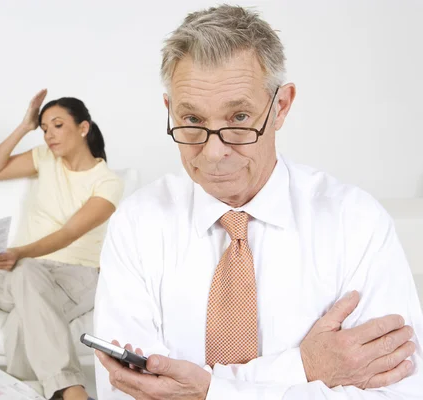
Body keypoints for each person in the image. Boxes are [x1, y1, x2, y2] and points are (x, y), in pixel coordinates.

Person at [94, 5, 423, 399]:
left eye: (238, 118)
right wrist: (304, 368)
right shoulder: (136, 224)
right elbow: (127, 393)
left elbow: (399, 392)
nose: (214, 153)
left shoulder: (357, 224)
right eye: (193, 121)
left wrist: (205, 392)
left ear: (281, 106)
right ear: (170, 109)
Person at [0, 89, 124, 400]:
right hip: (19, 273)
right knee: (27, 273)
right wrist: (23, 127)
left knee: (25, 318)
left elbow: (69, 233)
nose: (48, 135)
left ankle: (23, 391)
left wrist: (19, 252)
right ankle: (70, 389)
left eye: (57, 125)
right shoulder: (44, 159)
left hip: (77, 277)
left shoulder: (108, 182)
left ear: (83, 127)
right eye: (44, 128)